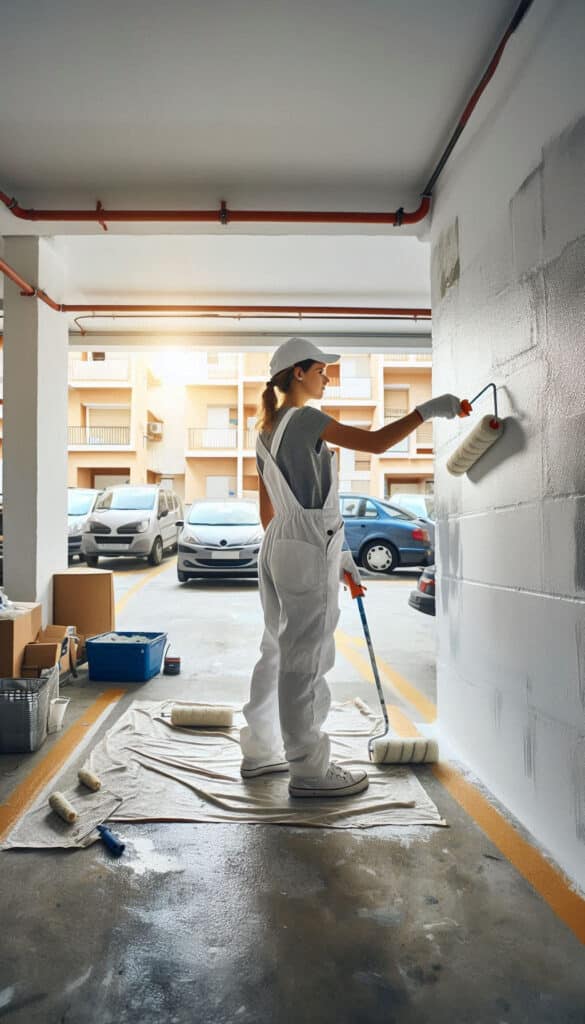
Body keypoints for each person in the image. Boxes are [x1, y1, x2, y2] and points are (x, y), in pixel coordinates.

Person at [239, 337, 464, 798]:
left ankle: (261, 754)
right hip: (303, 544)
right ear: (298, 373)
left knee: (276, 651)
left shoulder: (265, 430)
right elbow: (378, 443)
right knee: (305, 657)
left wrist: (329, 553)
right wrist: (427, 411)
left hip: (279, 542)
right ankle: (308, 770)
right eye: (322, 369)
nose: (328, 376)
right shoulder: (306, 419)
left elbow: (270, 512)